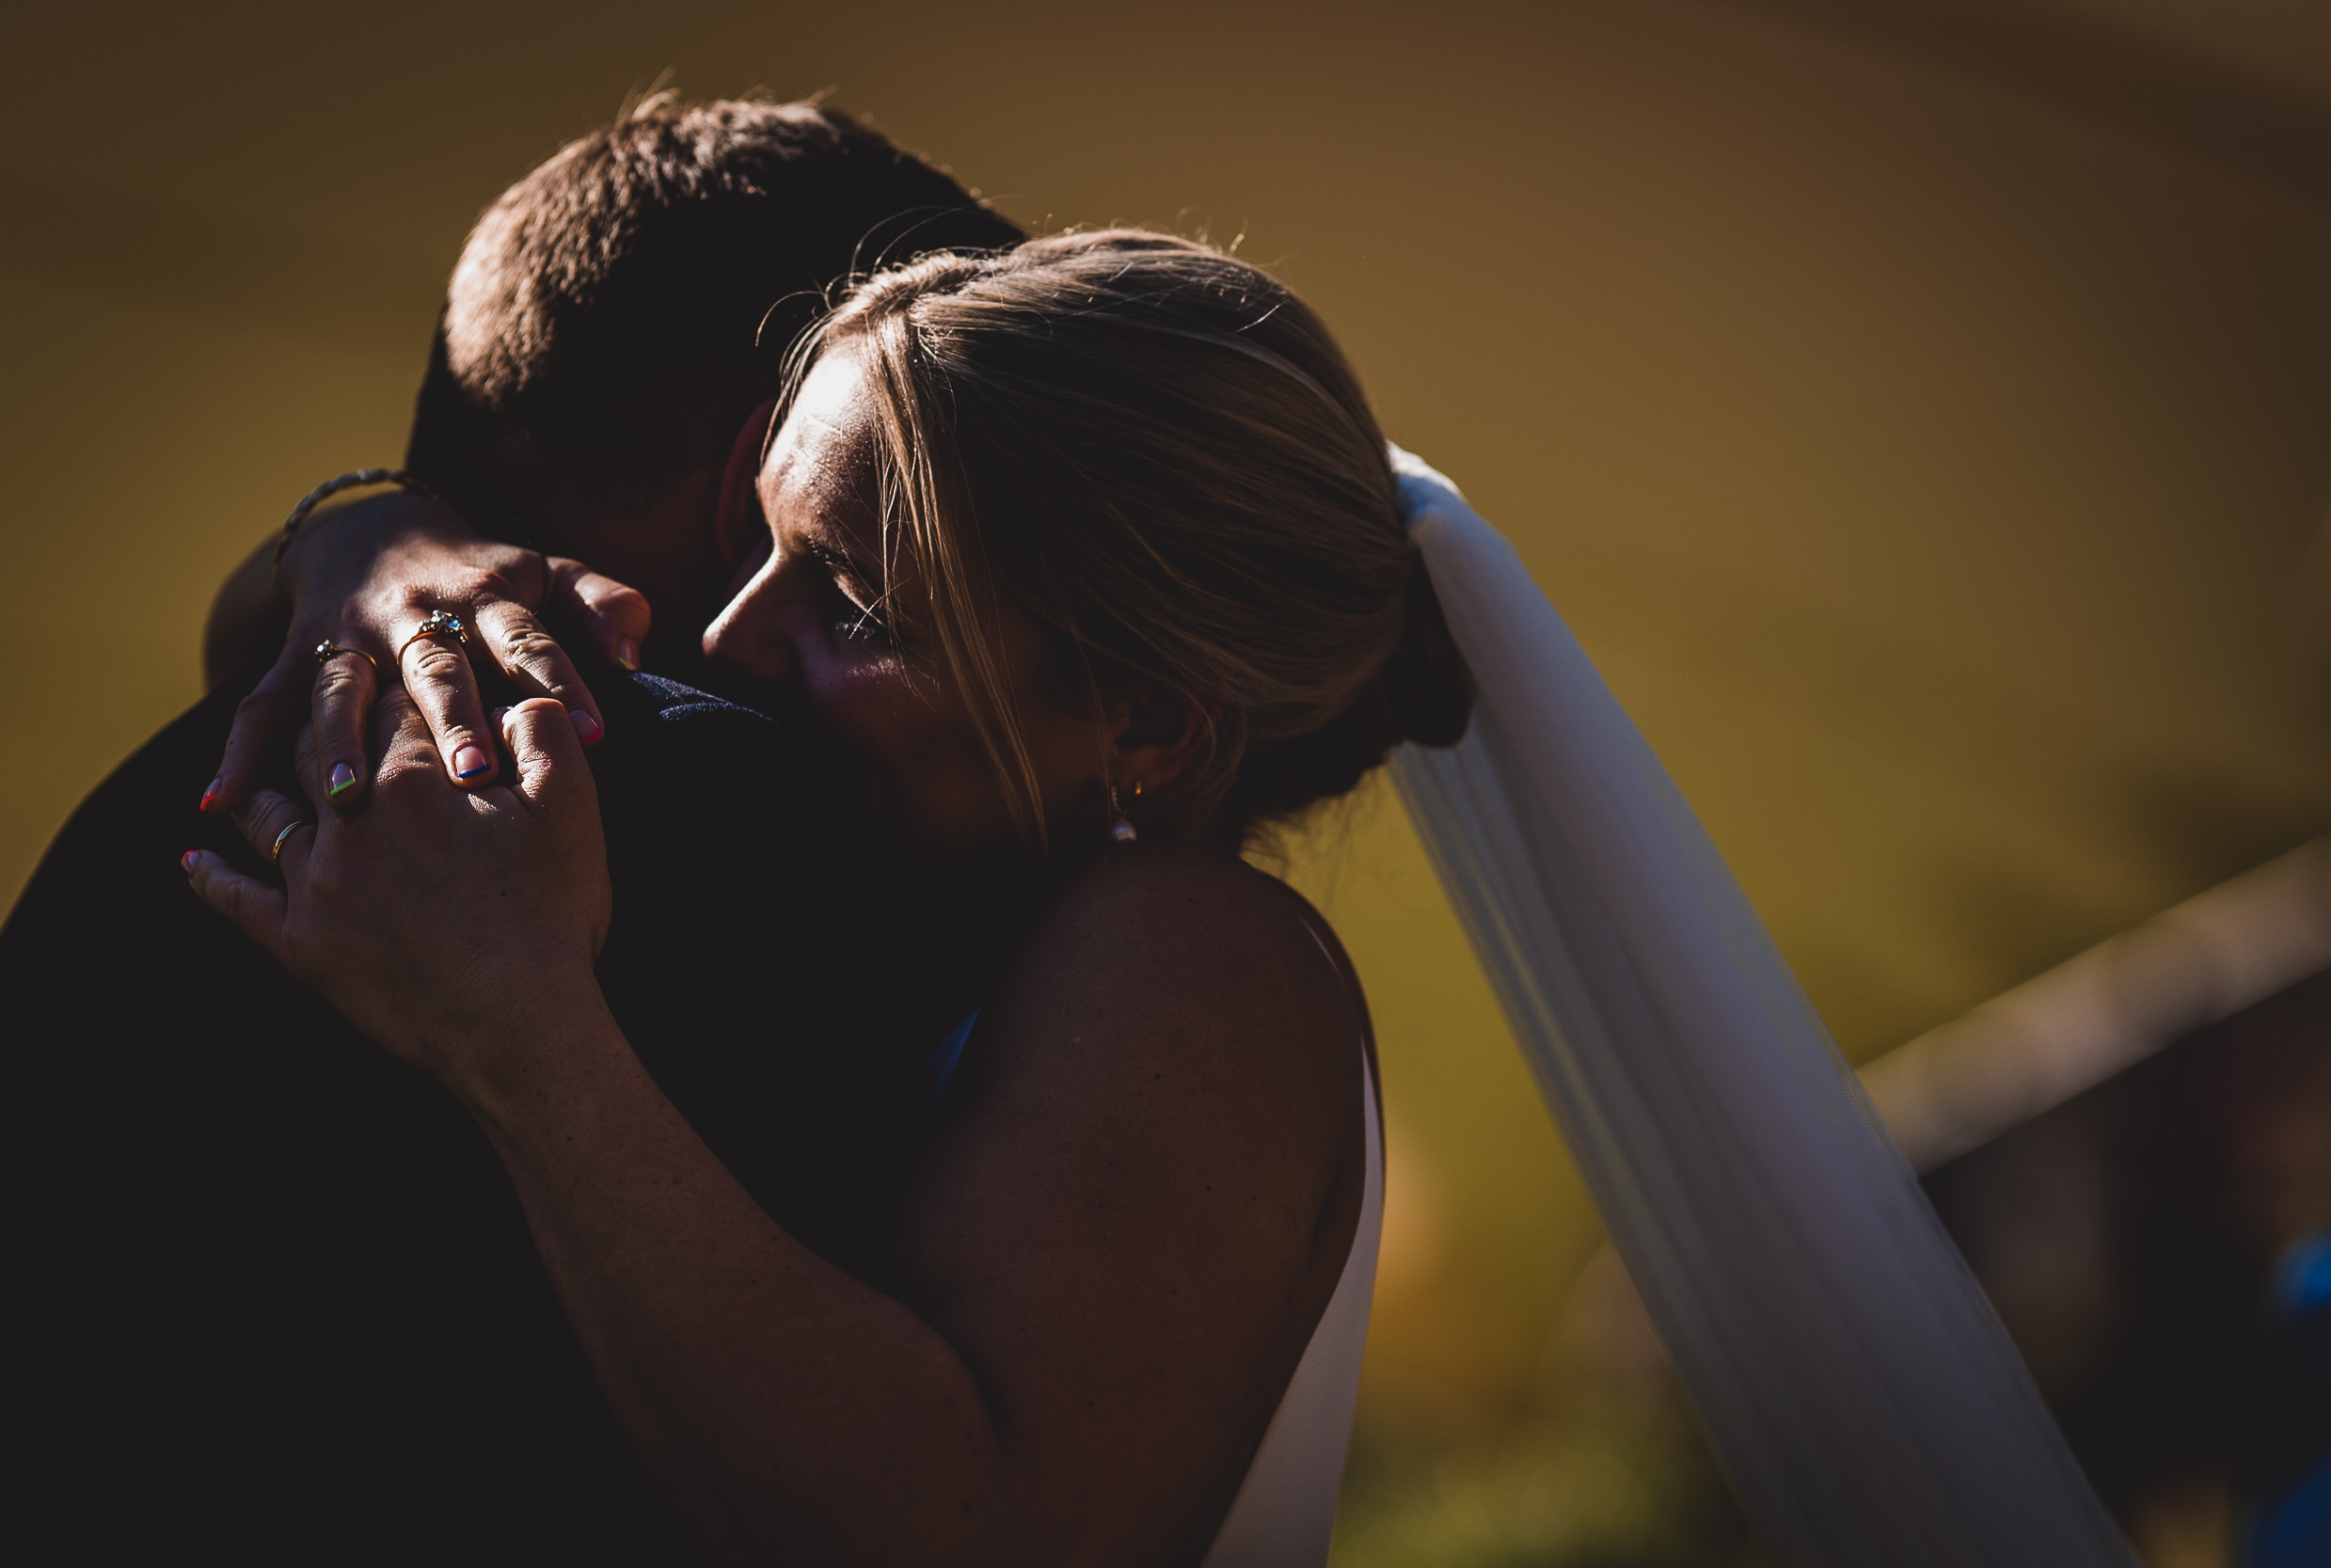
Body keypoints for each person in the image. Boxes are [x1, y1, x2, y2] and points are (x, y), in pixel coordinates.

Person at [187, 230, 1475, 1565]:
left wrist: (517, 1028)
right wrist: (369, 542)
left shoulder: (1197, 950)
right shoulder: (936, 920)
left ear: (1145, 722)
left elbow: (982, 1534)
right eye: (761, 538)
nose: (732, 634)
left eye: (857, 604)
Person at [8, 98, 1023, 1560]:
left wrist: (348, 527)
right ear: (769, 479)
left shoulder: (224, 745)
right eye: (970, 481)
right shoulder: (705, 799)